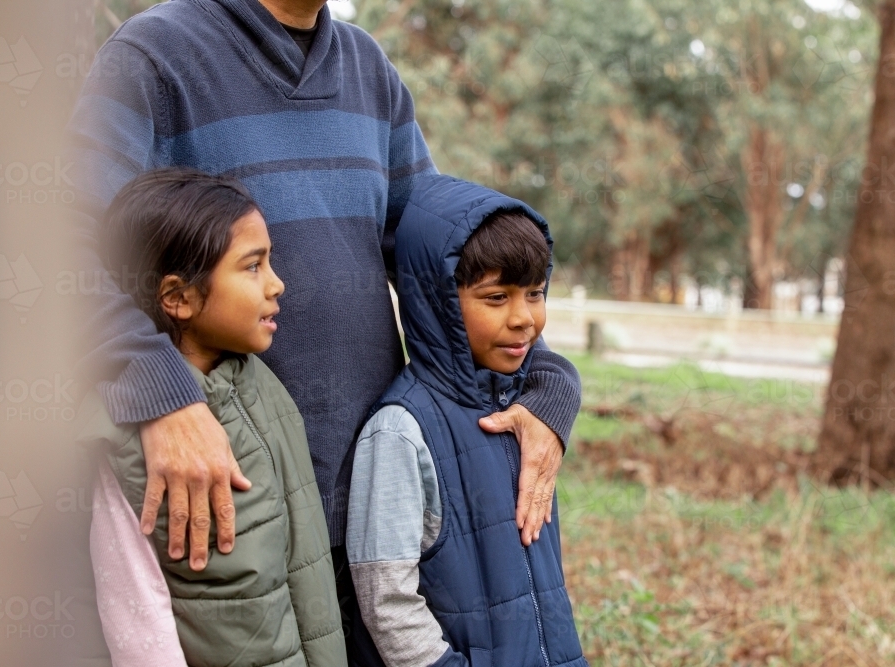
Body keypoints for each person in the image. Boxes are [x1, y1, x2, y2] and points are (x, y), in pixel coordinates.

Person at [69, 0, 581, 659]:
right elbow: (64, 247)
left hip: (374, 508)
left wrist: (546, 378)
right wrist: (161, 392)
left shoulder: (369, 69)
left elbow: (447, 257)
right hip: (236, 514)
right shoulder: (155, 56)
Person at [79, 168, 346, 667]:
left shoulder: (261, 384)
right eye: (252, 266)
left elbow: (303, 568)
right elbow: (137, 621)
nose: (277, 283)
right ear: (178, 297)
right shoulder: (123, 437)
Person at [346, 174, 587, 667]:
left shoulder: (524, 412)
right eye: (497, 298)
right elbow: (386, 597)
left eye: (535, 293)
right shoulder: (401, 432)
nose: (524, 318)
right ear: (439, 303)